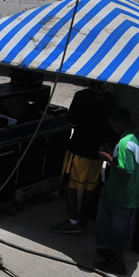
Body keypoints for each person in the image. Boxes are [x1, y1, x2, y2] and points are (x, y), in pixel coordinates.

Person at [50, 84, 119, 235]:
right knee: (89, 186)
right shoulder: (111, 99)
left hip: (79, 147)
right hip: (99, 150)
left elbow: (71, 120)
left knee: (69, 184)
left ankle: (73, 220)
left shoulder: (82, 96)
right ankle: (82, 217)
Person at [95, 119, 139, 275]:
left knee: (116, 229)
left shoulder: (126, 142)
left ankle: (118, 264)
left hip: (119, 194)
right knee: (122, 227)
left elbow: (126, 171)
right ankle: (109, 253)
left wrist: (107, 157)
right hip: (133, 194)